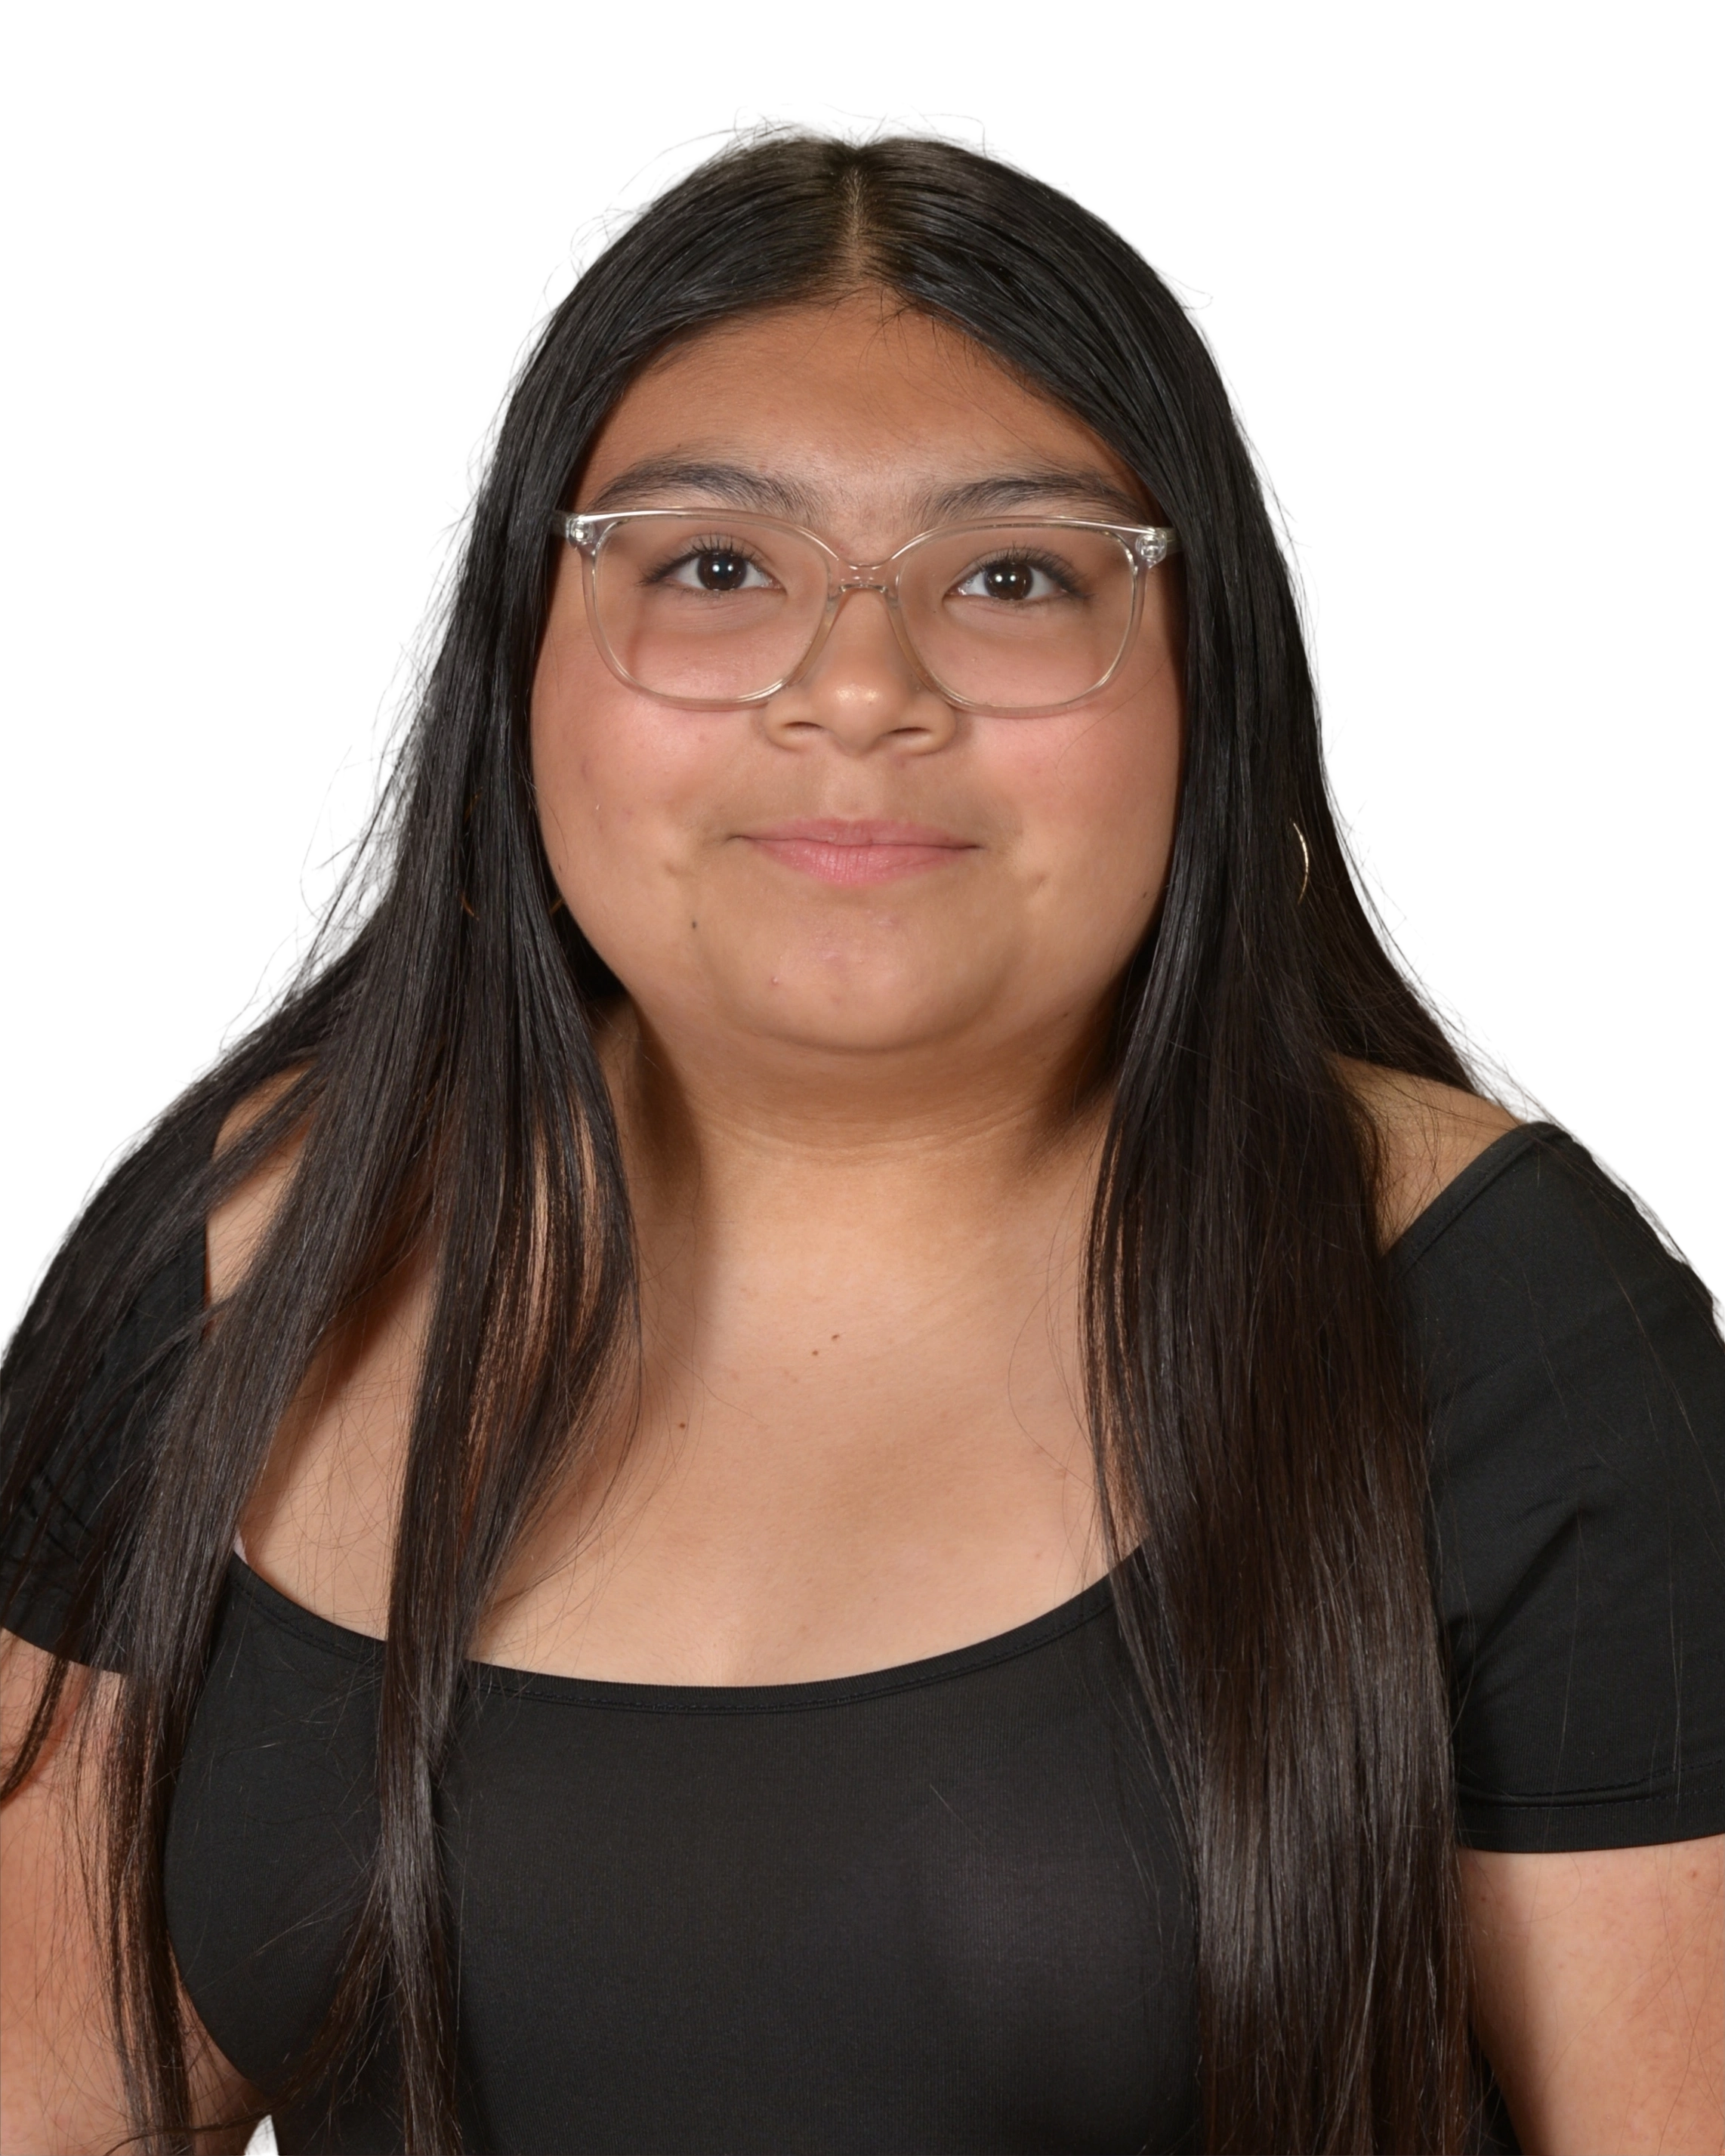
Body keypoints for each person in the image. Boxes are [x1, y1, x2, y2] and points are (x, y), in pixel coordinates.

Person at [2, 101, 1720, 2156]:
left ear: (1212, 677)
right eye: (715, 566)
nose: (857, 686)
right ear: (514, 653)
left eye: (1012, 576)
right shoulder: (242, 1235)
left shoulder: (1510, 1326)